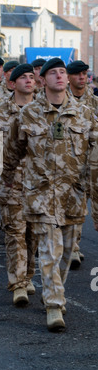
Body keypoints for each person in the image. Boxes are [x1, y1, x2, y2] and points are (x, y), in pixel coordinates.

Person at [2, 57, 98, 332]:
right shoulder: (28, 114)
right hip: (41, 195)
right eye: (53, 73)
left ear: (67, 79)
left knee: (66, 252)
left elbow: (95, 158)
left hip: (73, 195)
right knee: (48, 249)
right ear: (42, 80)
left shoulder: (85, 114)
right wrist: (7, 180)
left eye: (62, 73)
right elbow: (11, 152)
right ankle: (54, 304)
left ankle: (55, 290)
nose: (59, 76)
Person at [0, 64, 38, 306]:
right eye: (23, 77)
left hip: (39, 185)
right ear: (12, 83)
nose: (29, 81)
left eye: (32, 77)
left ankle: (28, 276)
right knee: (15, 233)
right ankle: (18, 283)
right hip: (10, 184)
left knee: (33, 235)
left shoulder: (44, 112)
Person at [66, 60, 98, 269]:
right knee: (74, 204)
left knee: (88, 204)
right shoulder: (62, 100)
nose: (82, 77)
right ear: (69, 77)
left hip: (92, 160)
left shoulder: (94, 101)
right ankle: (74, 248)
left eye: (85, 74)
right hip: (69, 160)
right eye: (77, 74)